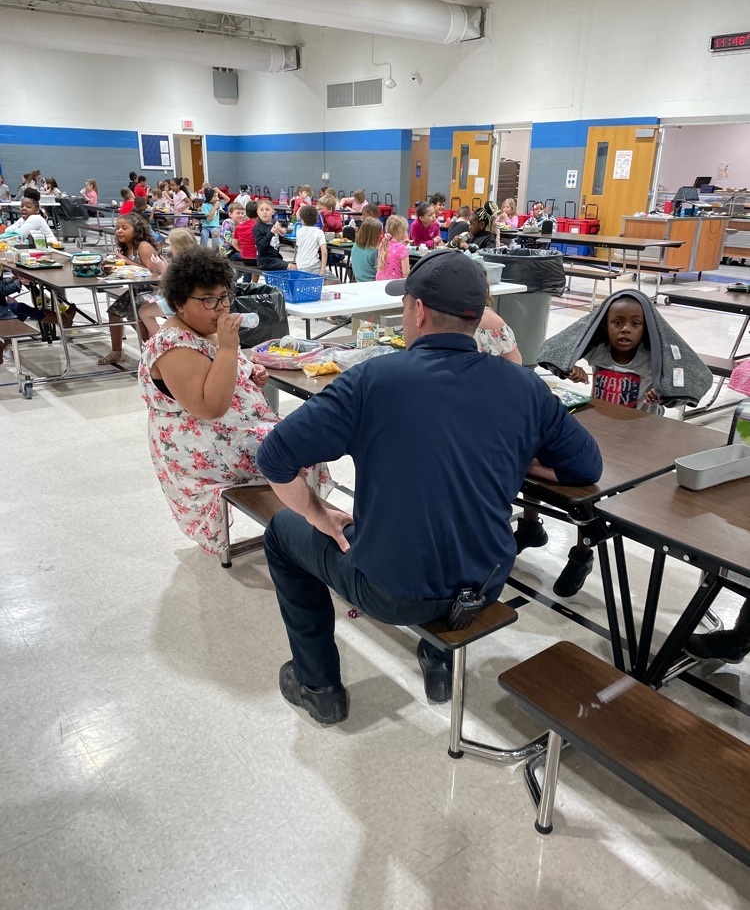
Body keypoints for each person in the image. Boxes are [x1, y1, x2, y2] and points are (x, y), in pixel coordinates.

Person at [255, 249, 602, 724]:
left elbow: (273, 458)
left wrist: (318, 515)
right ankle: (437, 657)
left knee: (281, 534)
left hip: (393, 590)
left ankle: (319, 687)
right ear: (478, 315)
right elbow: (586, 466)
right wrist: (519, 456)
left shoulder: (372, 380)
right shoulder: (524, 386)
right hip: (488, 582)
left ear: (417, 311)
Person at [138, 246, 330, 554]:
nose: (221, 307)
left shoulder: (200, 329)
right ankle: (308, 528)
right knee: (300, 444)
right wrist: (229, 350)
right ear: (178, 303)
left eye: (224, 296)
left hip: (229, 434)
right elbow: (209, 407)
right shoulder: (174, 345)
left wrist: (247, 371)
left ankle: (309, 519)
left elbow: (217, 373)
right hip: (206, 448)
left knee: (309, 434)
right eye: (208, 300)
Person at [521, 290, 711, 597]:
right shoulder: (599, 352)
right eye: (617, 322)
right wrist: (573, 368)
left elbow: (685, 380)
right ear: (603, 325)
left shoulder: (653, 361)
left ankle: (582, 554)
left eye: (635, 324)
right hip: (599, 434)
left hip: (636, 444)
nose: (625, 329)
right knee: (541, 463)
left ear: (647, 328)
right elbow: (561, 350)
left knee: (588, 497)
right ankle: (530, 527)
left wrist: (663, 395)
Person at [97, 214, 165, 364]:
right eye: (117, 228)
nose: (119, 231)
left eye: (124, 228)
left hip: (154, 290)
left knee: (136, 315)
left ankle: (152, 354)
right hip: (136, 289)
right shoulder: (125, 248)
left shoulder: (143, 246)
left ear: (136, 230)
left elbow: (152, 274)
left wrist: (125, 262)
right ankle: (117, 352)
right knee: (114, 313)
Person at [255, 199, 296, 272]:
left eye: (267, 210)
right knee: (293, 268)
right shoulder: (258, 228)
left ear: (273, 212)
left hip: (276, 257)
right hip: (265, 260)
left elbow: (277, 241)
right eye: (261, 210)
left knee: (300, 265)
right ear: (258, 213)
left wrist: (281, 234)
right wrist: (271, 233)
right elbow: (260, 246)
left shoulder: (274, 223)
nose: (264, 212)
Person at [295, 204, 328, 275]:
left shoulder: (299, 231)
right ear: (317, 219)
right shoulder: (319, 232)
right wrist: (322, 271)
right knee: (332, 278)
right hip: (313, 266)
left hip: (300, 266)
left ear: (302, 220)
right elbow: (324, 252)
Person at [375, 215, 409, 281]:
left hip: (379, 282)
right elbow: (406, 274)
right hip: (395, 285)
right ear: (400, 232)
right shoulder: (403, 249)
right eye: (406, 230)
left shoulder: (383, 243)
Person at [234, 200, 259, 266]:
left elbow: (234, 243)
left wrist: (243, 251)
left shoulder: (239, 227)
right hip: (258, 258)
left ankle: (247, 277)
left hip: (245, 258)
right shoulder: (260, 226)